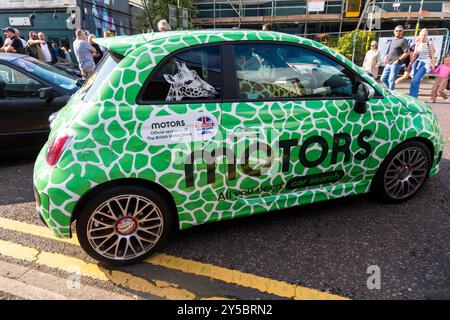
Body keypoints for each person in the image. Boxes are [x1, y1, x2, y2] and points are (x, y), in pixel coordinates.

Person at [380, 25, 410, 90]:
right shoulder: (393, 40)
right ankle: (391, 91)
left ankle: (391, 93)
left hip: (396, 63)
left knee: (391, 80)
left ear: (402, 32)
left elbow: (407, 52)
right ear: (394, 31)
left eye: (400, 31)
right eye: (396, 31)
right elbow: (390, 50)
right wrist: (386, 56)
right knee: (383, 78)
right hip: (389, 62)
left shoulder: (403, 40)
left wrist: (398, 60)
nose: (398, 32)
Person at [409, 28, 436, 98]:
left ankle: (413, 96)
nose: (423, 36)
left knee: (416, 79)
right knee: (414, 81)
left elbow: (432, 55)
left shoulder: (429, 43)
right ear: (419, 35)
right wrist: (410, 63)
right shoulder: (418, 43)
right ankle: (413, 97)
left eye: (425, 35)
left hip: (425, 63)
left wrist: (433, 64)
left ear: (427, 36)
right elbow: (415, 54)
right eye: (422, 35)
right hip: (418, 62)